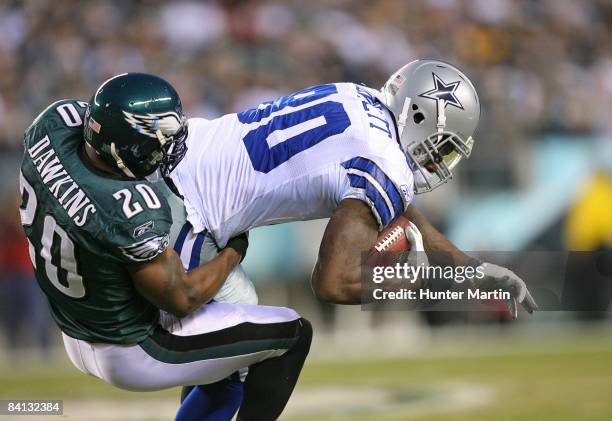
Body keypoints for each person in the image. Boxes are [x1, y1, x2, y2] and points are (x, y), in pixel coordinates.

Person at [19, 73, 312, 421]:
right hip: (131, 349)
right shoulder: (129, 207)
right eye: (159, 141)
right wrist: (235, 248)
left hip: (75, 324)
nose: (166, 149)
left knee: (225, 360)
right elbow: (183, 299)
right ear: (125, 146)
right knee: (292, 335)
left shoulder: (51, 126)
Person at [162, 59, 538, 316]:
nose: (437, 159)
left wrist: (470, 272)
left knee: (243, 343)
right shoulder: (385, 164)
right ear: (419, 117)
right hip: (190, 212)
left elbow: (403, 209)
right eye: (441, 145)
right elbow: (331, 283)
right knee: (257, 346)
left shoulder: (361, 97)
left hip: (175, 150)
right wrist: (417, 281)